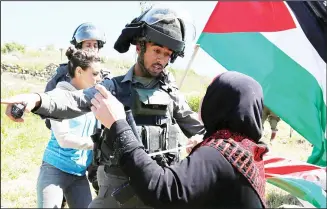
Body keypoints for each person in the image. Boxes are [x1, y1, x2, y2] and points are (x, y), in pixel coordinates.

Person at [1, 5, 205, 208]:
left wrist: (201, 140)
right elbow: (74, 100)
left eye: (168, 54)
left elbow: (202, 131)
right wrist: (36, 99)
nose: (161, 59)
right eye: (156, 50)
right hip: (116, 194)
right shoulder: (112, 88)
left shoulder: (172, 95)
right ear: (139, 47)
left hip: (157, 192)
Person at [89, 71, 269, 208]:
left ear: (219, 103)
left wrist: (118, 125)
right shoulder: (243, 149)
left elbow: (160, 188)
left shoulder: (218, 155)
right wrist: (202, 153)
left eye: (209, 93)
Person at [43, 22, 109, 200]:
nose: (93, 49)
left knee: (101, 191)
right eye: (88, 45)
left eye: (96, 45)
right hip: (65, 149)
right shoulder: (62, 77)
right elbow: (49, 106)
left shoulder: (103, 78)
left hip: (91, 151)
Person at [36, 46, 102, 208]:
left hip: (78, 174)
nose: (99, 78)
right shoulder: (60, 97)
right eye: (94, 74)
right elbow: (63, 139)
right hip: (54, 170)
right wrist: (97, 145)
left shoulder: (91, 98)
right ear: (79, 71)